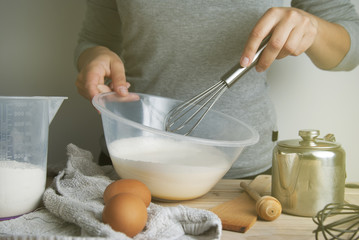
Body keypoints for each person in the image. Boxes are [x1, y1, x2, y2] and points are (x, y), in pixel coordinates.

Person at [75, 0, 359, 178]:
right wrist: (94, 57)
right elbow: (94, 39)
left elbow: (352, 43)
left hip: (245, 177)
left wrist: (313, 28)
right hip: (132, 162)